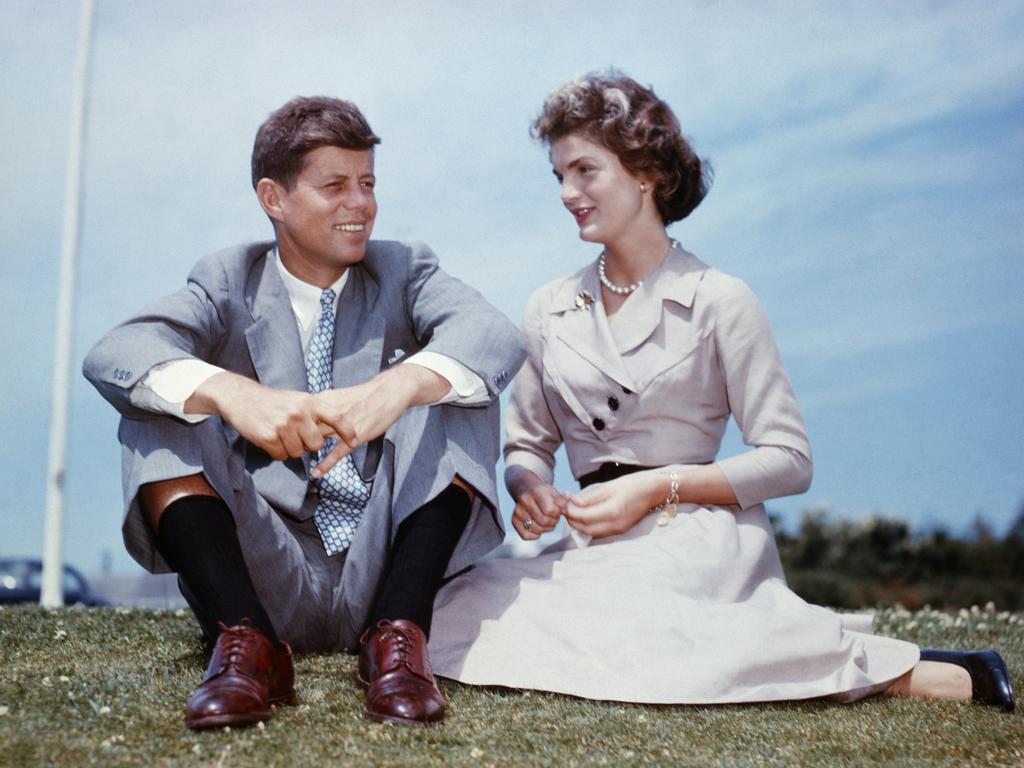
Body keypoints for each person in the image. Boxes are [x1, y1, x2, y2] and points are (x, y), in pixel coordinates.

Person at [427, 72, 1015, 712]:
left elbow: (790, 459)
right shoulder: (547, 308)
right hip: (590, 546)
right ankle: (788, 641)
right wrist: (530, 488)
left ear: (646, 170)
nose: (568, 193)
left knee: (638, 625)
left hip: (698, 534)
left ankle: (932, 674)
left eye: (585, 171)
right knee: (453, 611)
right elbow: (528, 446)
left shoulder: (721, 299)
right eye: (559, 176)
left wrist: (654, 487)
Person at [83, 96, 526, 728]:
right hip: (266, 568)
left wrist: (398, 386)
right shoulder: (225, 279)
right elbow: (115, 353)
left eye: (368, 184)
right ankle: (246, 649)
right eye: (335, 186)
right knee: (160, 396)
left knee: (452, 380)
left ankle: (399, 646)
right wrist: (234, 394)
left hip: (385, 568)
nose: (361, 204)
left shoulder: (404, 269)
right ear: (274, 197)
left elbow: (494, 334)